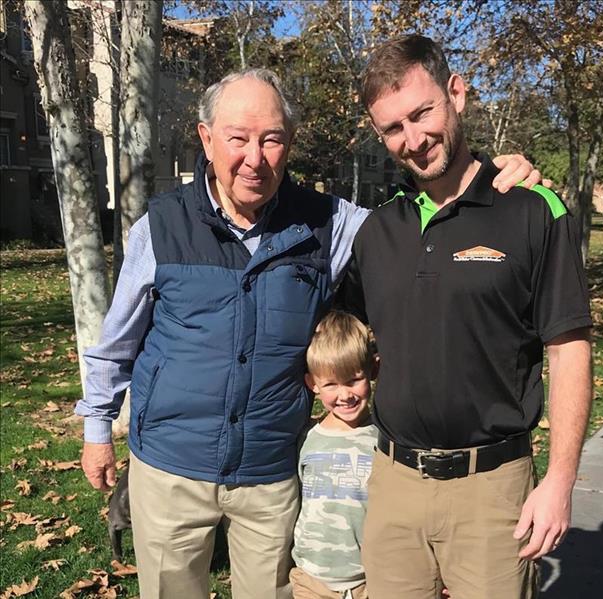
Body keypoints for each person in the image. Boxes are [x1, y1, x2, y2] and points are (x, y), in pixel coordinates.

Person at [75, 66, 542, 599]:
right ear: (206, 140)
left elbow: (420, 220)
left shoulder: (332, 224)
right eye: (238, 139)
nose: (255, 157)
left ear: (290, 143)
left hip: (269, 474)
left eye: (272, 140)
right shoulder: (160, 227)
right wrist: (97, 430)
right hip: (168, 464)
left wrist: (491, 174)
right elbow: (116, 345)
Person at [338, 35, 593, 599]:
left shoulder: (531, 209)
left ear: (457, 94)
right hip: (394, 485)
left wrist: (559, 481)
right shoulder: (378, 232)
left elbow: (569, 347)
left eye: (421, 113)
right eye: (393, 129)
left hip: (492, 488)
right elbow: (342, 336)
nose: (414, 138)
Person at [290, 310, 377, 599]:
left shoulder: (385, 438)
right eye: (331, 384)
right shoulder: (306, 439)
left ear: (372, 371)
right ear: (313, 384)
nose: (345, 395)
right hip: (312, 579)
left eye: (354, 379)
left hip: (370, 579)